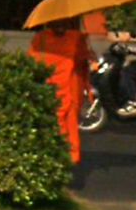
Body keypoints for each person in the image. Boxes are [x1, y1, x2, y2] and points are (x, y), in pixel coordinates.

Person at [28, 19, 96, 164]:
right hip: (52, 86)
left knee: (68, 123)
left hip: (67, 87)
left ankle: (66, 156)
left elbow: (82, 60)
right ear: (49, 25)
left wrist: (86, 49)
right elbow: (34, 60)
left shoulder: (74, 39)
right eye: (57, 25)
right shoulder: (42, 39)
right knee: (57, 122)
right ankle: (61, 155)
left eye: (64, 25)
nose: (61, 28)